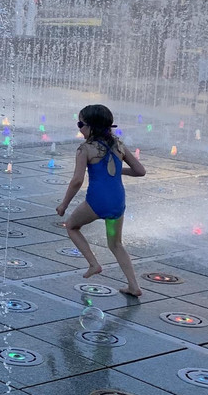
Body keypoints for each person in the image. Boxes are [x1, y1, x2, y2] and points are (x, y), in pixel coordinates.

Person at [55, 104, 146, 296]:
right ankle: (134, 286)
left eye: (80, 124)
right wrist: (118, 171)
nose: (79, 128)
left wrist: (64, 204)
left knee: (71, 226)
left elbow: (77, 181)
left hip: (97, 202)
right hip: (117, 202)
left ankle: (93, 263)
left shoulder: (85, 149)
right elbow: (140, 171)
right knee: (116, 244)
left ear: (90, 127)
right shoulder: (118, 144)